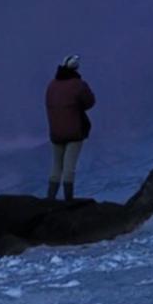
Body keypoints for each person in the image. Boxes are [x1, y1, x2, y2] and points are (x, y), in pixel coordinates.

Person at [45, 54, 96, 201]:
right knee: (69, 167)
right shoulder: (78, 85)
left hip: (55, 133)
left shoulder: (51, 85)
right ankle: (68, 200)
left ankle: (50, 199)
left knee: (56, 166)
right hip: (74, 131)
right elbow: (90, 102)